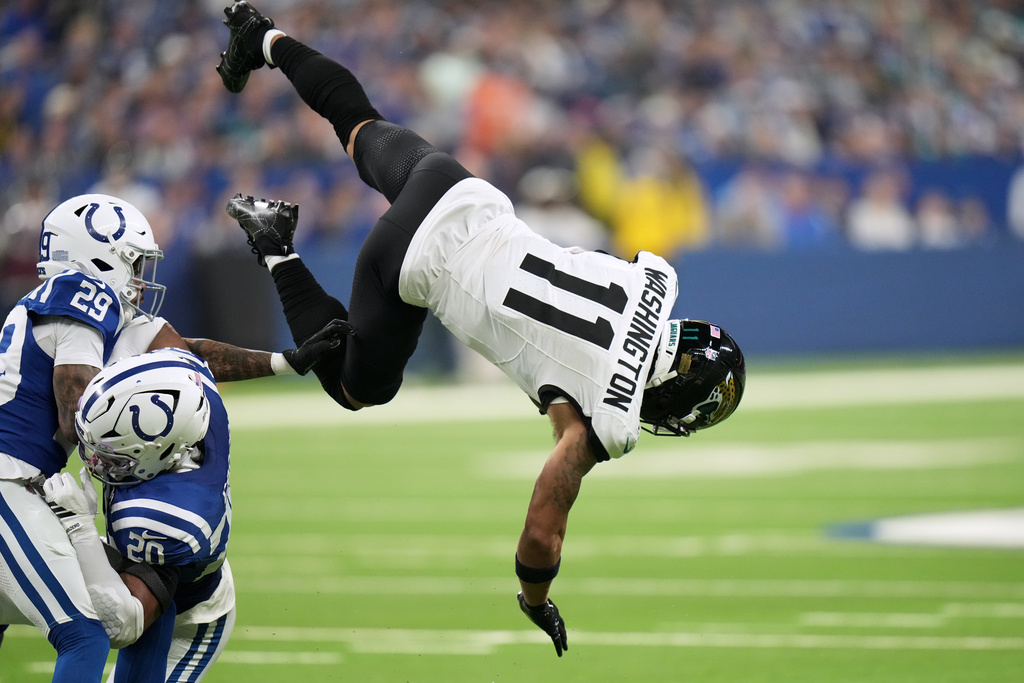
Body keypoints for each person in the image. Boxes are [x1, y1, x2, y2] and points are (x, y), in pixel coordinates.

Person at [216, 1, 745, 657]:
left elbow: (589, 295)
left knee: (356, 122)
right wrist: (535, 595)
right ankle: (276, 246)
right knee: (358, 388)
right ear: (675, 396)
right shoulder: (602, 422)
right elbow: (541, 531)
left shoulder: (654, 280)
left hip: (457, 192)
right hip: (415, 262)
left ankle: (261, 37)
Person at [0, 192, 345, 681]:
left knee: (127, 589)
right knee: (84, 632)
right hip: (11, 481)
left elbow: (188, 356)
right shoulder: (81, 294)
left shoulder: (99, 317)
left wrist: (284, 362)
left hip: (28, 483)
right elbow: (74, 407)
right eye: (133, 262)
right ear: (97, 258)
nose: (141, 276)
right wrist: (135, 436)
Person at [42, 348, 235, 683]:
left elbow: (121, 626)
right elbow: (187, 352)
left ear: (159, 452)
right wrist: (282, 362)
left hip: (188, 619)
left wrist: (80, 526)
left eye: (113, 457)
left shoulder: (166, 519)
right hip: (144, 568)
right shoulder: (191, 392)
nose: (94, 463)